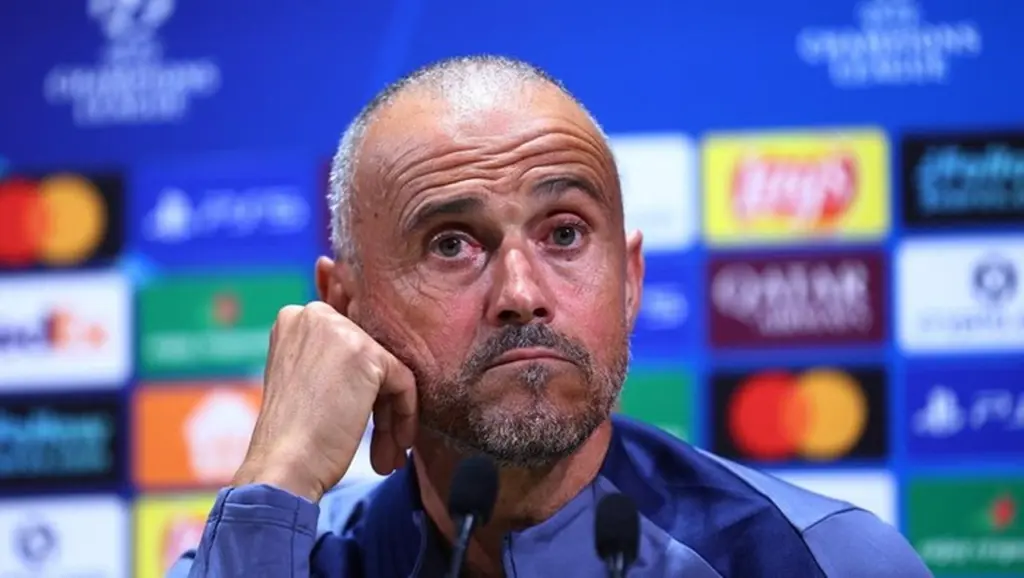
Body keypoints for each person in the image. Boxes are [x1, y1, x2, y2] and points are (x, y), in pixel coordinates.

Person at [168, 55, 932, 578]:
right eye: (452, 244)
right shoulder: (278, 555)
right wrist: (277, 477)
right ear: (346, 308)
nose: (522, 291)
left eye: (564, 234)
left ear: (630, 282)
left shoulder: (819, 560)